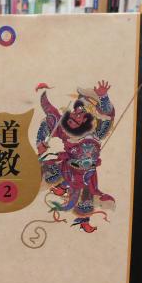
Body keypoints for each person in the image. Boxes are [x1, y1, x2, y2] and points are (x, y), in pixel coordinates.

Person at [35, 81, 115, 233]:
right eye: (76, 110)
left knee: (86, 198)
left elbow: (108, 115)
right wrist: (41, 143)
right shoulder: (64, 127)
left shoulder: (96, 134)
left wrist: (103, 97)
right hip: (66, 166)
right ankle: (60, 187)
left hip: (86, 173)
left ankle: (83, 221)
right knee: (44, 172)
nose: (76, 115)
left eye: (82, 114)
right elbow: (47, 123)